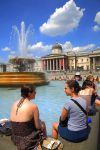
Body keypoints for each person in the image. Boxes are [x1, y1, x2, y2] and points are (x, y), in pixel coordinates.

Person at [10, 85, 47, 150]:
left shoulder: (14, 103)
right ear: (29, 93)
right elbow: (38, 127)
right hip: (27, 139)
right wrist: (42, 126)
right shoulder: (33, 107)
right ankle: (42, 145)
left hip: (15, 137)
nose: (36, 93)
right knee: (42, 124)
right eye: (34, 92)